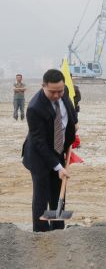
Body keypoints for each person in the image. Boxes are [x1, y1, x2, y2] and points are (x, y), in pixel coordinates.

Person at [22, 69, 78, 232]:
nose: (57, 95)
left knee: (58, 194)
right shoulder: (35, 108)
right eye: (52, 92)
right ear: (43, 86)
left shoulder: (63, 92)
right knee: (42, 196)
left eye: (60, 91)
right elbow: (39, 143)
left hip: (58, 149)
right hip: (39, 156)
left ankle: (57, 229)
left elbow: (69, 110)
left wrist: (74, 124)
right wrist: (58, 167)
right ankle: (41, 232)